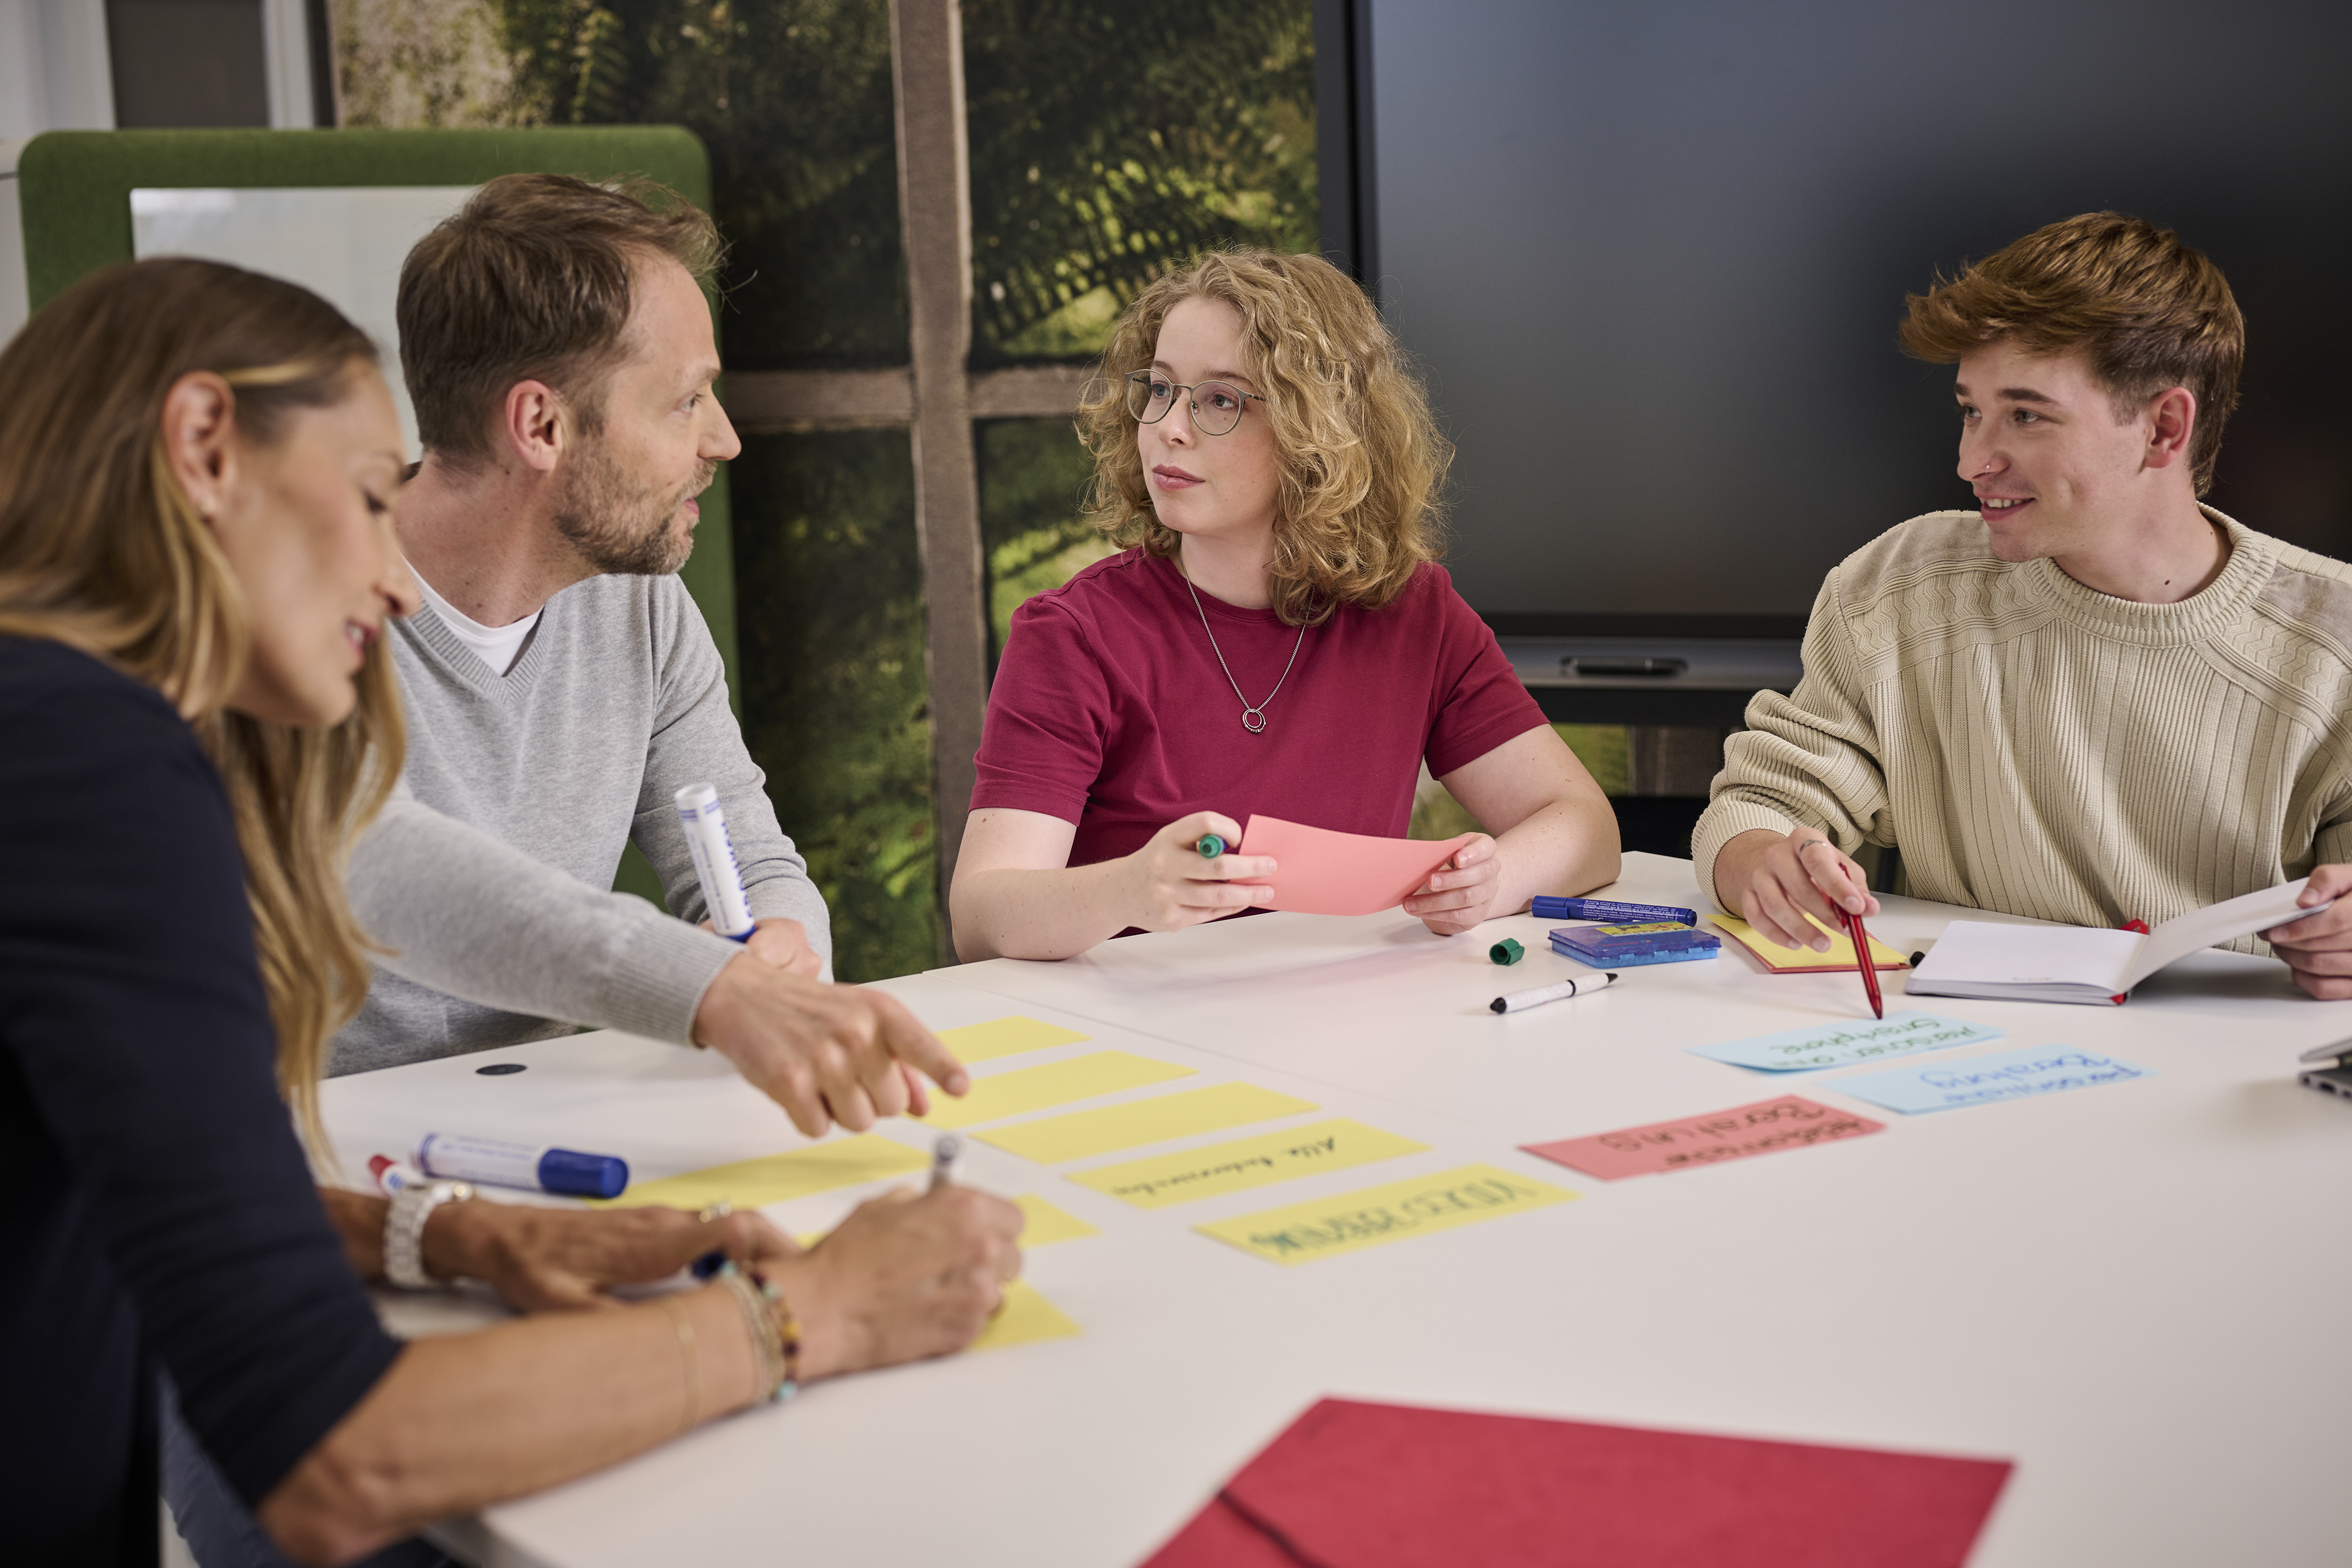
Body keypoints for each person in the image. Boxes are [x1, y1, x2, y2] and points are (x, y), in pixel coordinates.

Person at [0, 257, 1021, 1566]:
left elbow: (129, 1188)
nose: (389, 575)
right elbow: (333, 1450)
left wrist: (453, 1233)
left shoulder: (54, 736)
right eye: (371, 497)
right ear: (204, 446)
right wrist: (810, 1310)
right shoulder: (94, 766)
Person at [335, 173, 959, 1139]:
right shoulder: (299, 608)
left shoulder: (644, 608)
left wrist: (781, 952)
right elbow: (373, 859)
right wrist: (704, 988)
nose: (726, 439)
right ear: (540, 425)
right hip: (320, 1145)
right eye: (687, 401)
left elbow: (746, 856)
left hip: (548, 1123)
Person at [1694, 211, 2352, 998]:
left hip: (2228, 1081)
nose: (1973, 460)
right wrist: (1758, 862)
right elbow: (1763, 806)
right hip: (1955, 1051)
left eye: (2027, 415)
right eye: (1972, 410)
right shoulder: (1898, 587)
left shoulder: (2332, 639)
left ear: (2163, 428)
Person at [950, 250, 1620, 961]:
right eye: (1161, 389)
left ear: (1316, 431)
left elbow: (1586, 826)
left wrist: (1492, 881)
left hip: (1346, 1032)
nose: (1169, 428)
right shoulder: (1072, 634)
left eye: (1219, 399)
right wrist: (1131, 890)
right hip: (1139, 1040)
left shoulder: (1414, 612)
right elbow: (982, 914)